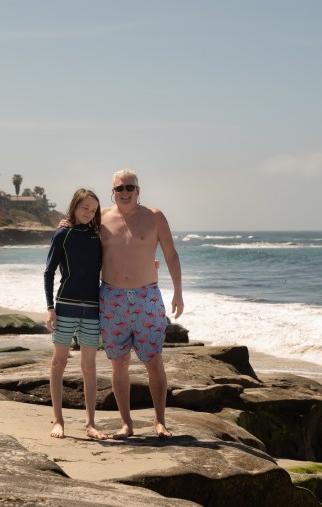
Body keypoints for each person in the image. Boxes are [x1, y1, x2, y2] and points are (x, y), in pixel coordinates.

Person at [99, 169, 183, 439]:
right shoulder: (101, 218)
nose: (124, 192)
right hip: (111, 298)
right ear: (112, 192)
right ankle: (126, 424)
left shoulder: (154, 216)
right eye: (119, 188)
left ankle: (160, 421)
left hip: (147, 297)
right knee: (119, 364)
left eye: (129, 187)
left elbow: (171, 254)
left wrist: (178, 292)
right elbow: (79, 245)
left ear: (138, 190)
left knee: (154, 361)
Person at [44, 188, 108, 441]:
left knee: (89, 366)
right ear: (74, 206)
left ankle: (90, 424)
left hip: (92, 308)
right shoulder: (63, 234)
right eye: (85, 208)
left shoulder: (97, 235)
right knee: (59, 362)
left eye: (94, 210)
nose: (89, 213)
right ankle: (58, 420)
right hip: (66, 306)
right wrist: (50, 308)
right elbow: (49, 272)